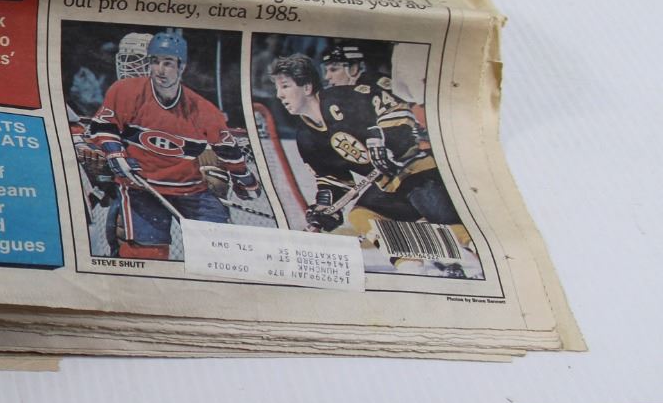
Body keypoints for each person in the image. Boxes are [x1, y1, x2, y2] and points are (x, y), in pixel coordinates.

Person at [267, 53, 473, 261]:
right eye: (277, 88)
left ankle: (472, 246)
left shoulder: (344, 97)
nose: (279, 95)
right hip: (389, 186)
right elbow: (334, 179)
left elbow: (396, 108)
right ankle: (410, 263)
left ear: (307, 87)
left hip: (418, 169)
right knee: (361, 215)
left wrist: (388, 139)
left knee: (437, 211)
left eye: (285, 86)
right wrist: (326, 208)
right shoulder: (306, 136)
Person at [85, 32, 258, 259]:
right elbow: (103, 126)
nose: (160, 70)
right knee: (145, 254)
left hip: (190, 190)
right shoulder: (125, 91)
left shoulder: (203, 110)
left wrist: (245, 180)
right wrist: (115, 155)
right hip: (141, 187)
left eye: (167, 63)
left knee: (221, 251)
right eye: (154, 62)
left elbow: (228, 151)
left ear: (182, 67)